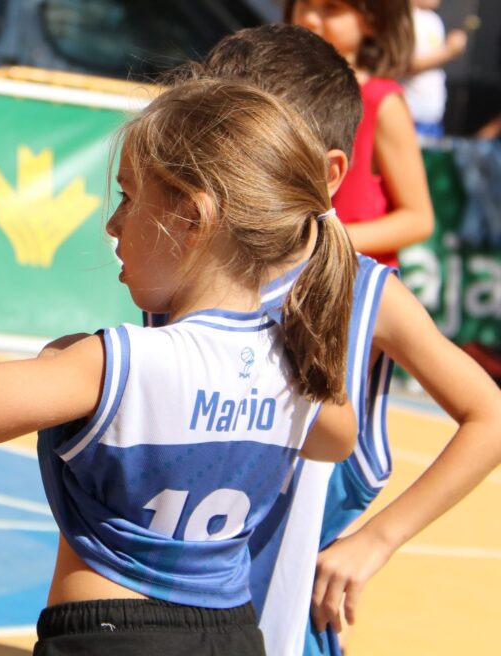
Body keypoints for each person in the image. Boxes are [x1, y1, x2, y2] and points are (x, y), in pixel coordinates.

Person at [0, 78, 359, 655]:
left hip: (111, 635)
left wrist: (64, 353)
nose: (113, 224)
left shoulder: (122, 360)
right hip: (233, 632)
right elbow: (338, 438)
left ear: (191, 218)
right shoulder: (292, 371)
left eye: (129, 197)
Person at [197, 23, 501, 656]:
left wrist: (377, 539)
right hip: (171, 619)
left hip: (284, 629)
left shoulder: (368, 298)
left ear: (329, 170)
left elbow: (490, 415)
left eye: (253, 148)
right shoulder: (182, 271)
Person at [288, 0, 434, 268]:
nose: (310, 18)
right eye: (304, 3)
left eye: (331, 8)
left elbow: (418, 219)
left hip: (352, 283)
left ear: (372, 20)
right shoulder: (276, 92)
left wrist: (320, 240)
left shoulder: (382, 102)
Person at [403, 0, 468, 139]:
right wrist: (449, 51)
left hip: (432, 119)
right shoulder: (404, 19)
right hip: (409, 117)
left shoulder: (434, 19)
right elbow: (403, 65)